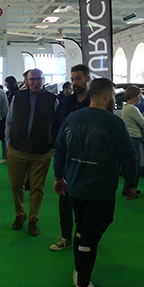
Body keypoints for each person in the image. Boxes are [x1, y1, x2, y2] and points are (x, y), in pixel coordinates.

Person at [53, 78, 137, 287]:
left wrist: (58, 177)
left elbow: (59, 151)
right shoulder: (115, 123)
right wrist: (131, 184)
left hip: (75, 188)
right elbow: (129, 157)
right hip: (100, 191)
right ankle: (83, 286)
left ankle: (79, 271)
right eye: (113, 96)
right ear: (107, 96)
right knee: (89, 236)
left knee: (81, 230)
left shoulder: (71, 119)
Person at [6, 68, 58, 236]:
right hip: (16, 149)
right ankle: (19, 214)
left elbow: (56, 125)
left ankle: (33, 220)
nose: (35, 82)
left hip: (41, 151)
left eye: (38, 79)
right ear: (26, 81)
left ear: (44, 80)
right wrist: (8, 143)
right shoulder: (17, 97)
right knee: (16, 185)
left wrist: (51, 147)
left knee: (37, 188)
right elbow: (9, 120)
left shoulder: (52, 100)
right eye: (32, 79)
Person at [49, 64, 91, 251]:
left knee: (86, 201)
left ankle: (85, 235)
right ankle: (66, 236)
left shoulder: (95, 102)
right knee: (64, 198)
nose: (75, 83)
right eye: (73, 79)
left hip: (89, 159)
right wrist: (55, 147)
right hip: (67, 159)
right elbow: (57, 127)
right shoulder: (65, 103)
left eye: (78, 79)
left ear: (87, 79)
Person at [121, 85, 144, 198]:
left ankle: (128, 188)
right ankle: (131, 189)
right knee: (135, 166)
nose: (140, 98)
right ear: (134, 96)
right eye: (139, 96)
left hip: (130, 137)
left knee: (132, 165)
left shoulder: (126, 107)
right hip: (135, 138)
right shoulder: (133, 109)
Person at [0, 75, 20, 166]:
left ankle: (13, 156)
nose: (5, 84)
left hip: (15, 119)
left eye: (6, 82)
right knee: (4, 137)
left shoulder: (18, 94)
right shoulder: (6, 93)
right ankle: (5, 156)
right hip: (5, 119)